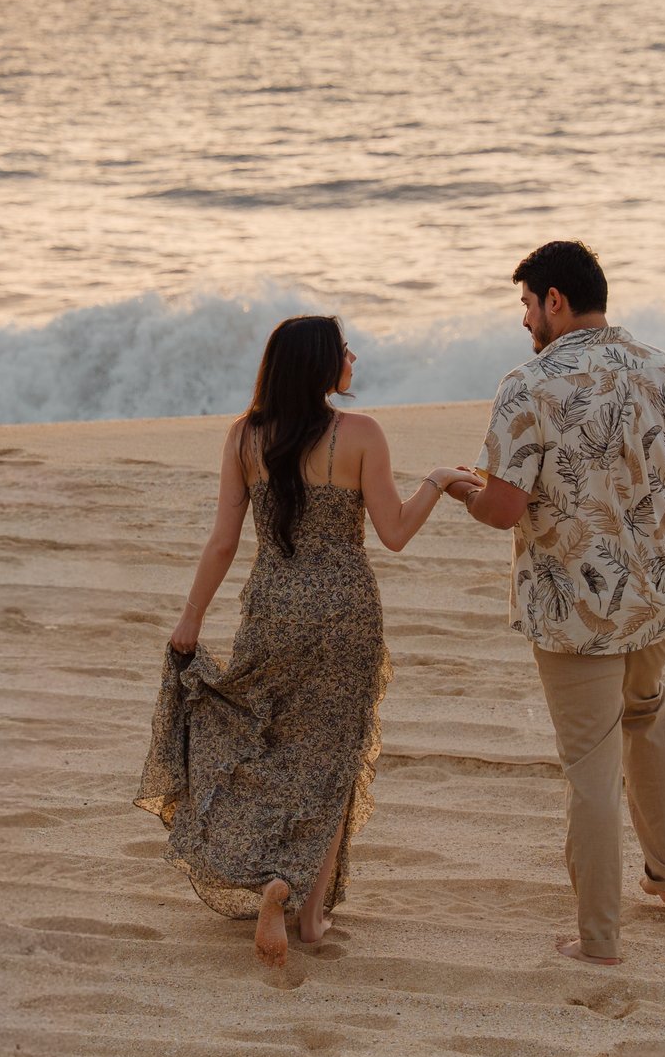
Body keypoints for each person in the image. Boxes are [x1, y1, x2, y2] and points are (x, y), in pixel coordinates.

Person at [451, 241, 665, 965]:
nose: (524, 322)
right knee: (646, 713)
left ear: (554, 301)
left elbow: (507, 508)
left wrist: (465, 493)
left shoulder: (528, 386)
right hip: (656, 597)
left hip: (574, 609)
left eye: (526, 305)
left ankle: (599, 938)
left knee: (589, 768)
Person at [138, 314, 474, 968]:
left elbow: (223, 543)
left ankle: (286, 886)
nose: (354, 356)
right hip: (344, 611)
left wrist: (189, 622)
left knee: (273, 750)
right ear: (321, 363)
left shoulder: (244, 437)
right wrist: (436, 481)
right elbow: (396, 531)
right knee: (334, 755)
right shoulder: (361, 434)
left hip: (272, 609)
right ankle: (298, 901)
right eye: (345, 348)